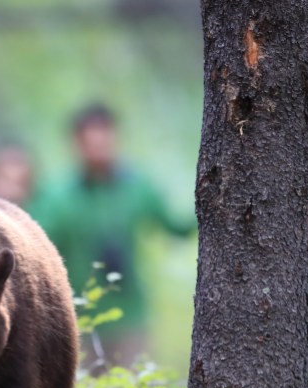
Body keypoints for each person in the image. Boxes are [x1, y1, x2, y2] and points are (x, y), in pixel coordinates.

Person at [28, 104, 193, 368]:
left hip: (130, 317)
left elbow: (176, 228)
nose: (98, 148)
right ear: (76, 144)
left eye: (104, 139)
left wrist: (213, 199)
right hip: (77, 320)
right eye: (90, 141)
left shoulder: (138, 187)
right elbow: (33, 243)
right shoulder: (57, 196)